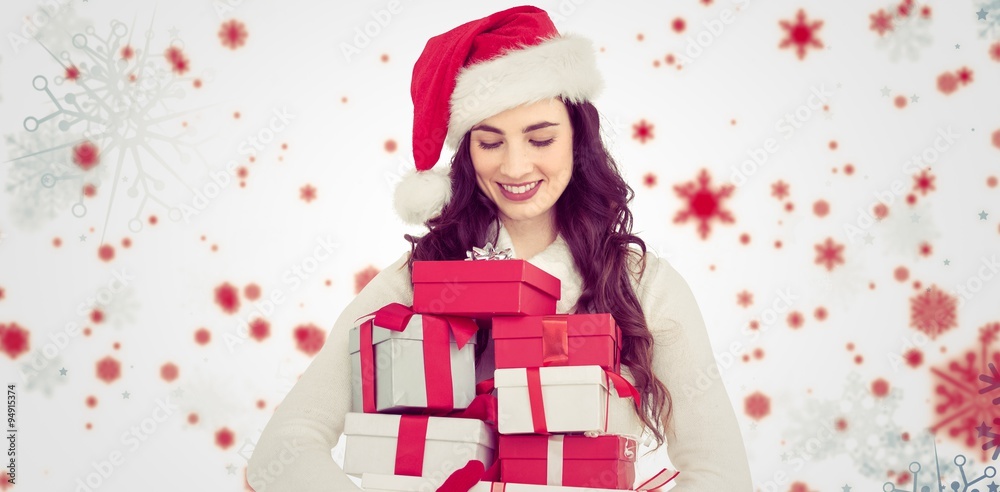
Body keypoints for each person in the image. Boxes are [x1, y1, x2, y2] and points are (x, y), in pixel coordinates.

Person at [248, 5, 753, 491]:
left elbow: (722, 476)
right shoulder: (419, 277)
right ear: (466, 151)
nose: (514, 168)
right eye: (490, 143)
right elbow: (283, 450)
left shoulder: (642, 284)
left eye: (540, 139)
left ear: (578, 139)